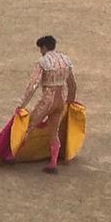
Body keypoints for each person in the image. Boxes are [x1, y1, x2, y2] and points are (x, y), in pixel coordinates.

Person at [19, 36, 78, 174]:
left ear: (44, 47)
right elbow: (72, 84)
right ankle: (53, 163)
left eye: (41, 49)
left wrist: (22, 105)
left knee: (28, 126)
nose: (40, 51)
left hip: (47, 101)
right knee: (54, 132)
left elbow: (33, 85)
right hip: (60, 101)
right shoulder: (65, 60)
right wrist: (70, 101)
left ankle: (11, 155)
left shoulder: (43, 62)